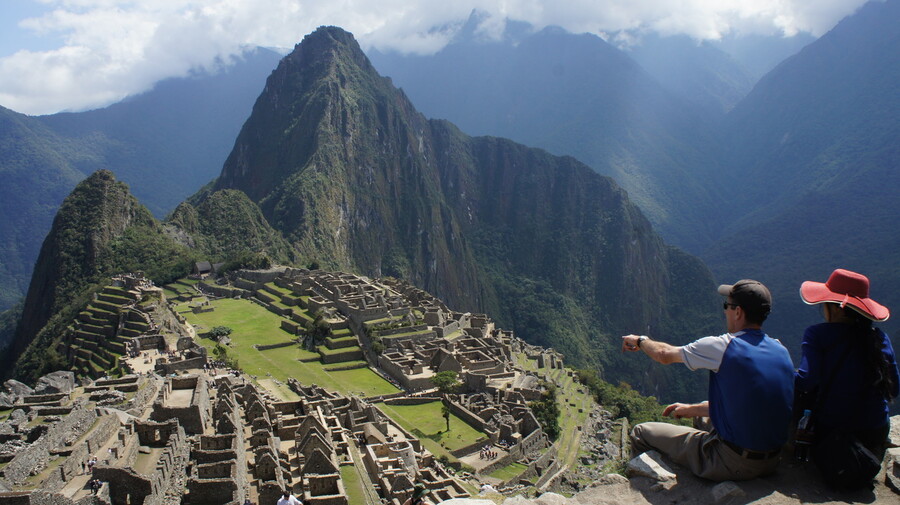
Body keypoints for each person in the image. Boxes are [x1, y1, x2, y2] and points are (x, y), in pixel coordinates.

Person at [621, 279, 794, 481]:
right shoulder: (780, 349)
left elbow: (664, 354)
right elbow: (748, 406)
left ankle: (650, 486)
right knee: (702, 414)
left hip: (733, 462)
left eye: (727, 306)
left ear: (738, 312)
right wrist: (690, 409)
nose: (725, 312)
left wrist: (640, 340)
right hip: (772, 460)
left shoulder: (723, 346)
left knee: (641, 431)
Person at [794, 268, 899, 489]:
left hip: (832, 436)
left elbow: (806, 380)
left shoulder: (817, 334)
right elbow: (894, 388)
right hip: (874, 439)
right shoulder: (880, 338)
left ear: (837, 307)